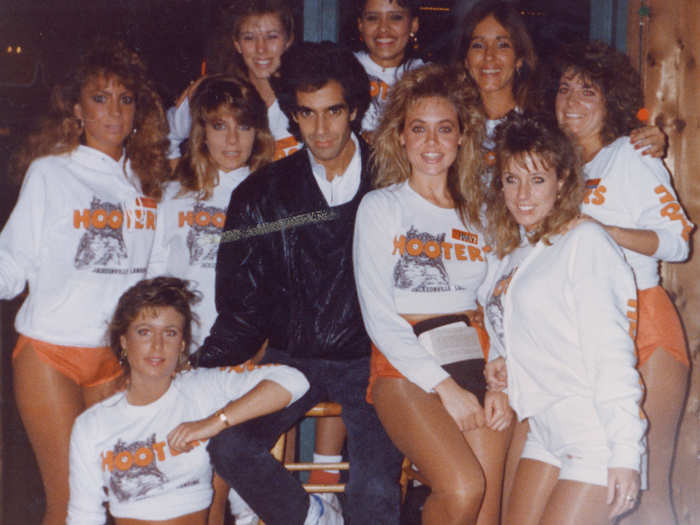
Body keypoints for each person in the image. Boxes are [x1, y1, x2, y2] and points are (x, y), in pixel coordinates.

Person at [191, 41, 404, 525]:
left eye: (333, 112)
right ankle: (313, 518)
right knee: (229, 446)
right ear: (292, 113)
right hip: (292, 358)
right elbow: (241, 305)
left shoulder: (393, 181)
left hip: (372, 360)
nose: (321, 129)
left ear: (354, 110)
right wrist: (201, 365)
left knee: (373, 489)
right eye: (307, 113)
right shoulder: (260, 194)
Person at [3, 40, 169, 525]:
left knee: (121, 497)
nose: (114, 110)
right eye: (100, 98)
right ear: (77, 108)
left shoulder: (149, 183)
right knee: (74, 497)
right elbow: (11, 264)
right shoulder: (50, 173)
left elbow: (156, 280)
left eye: (125, 98)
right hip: (51, 354)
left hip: (117, 361)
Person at [353, 64, 512, 525]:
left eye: (444, 130)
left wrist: (501, 373)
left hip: (475, 354)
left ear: (462, 137)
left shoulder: (480, 211)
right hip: (404, 364)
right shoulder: (382, 206)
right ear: (400, 136)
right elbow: (379, 315)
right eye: (418, 129)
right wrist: (445, 389)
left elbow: (495, 299)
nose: (431, 143)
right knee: (463, 488)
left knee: (484, 513)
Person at [553, 40, 693, 525]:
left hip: (645, 325)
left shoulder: (631, 155)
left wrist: (601, 232)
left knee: (645, 491)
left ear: (609, 101)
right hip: (584, 333)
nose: (570, 102)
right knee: (605, 488)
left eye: (586, 92)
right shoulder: (556, 170)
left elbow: (678, 241)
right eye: (565, 89)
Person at [481, 113, 646, 525]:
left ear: (563, 182)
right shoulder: (518, 252)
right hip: (543, 429)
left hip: (593, 434)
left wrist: (626, 452)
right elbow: (517, 332)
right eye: (511, 179)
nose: (523, 194)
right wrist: (502, 371)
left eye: (537, 180)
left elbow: (611, 353)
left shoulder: (585, 242)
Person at [67, 276, 309, 524]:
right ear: (124, 341)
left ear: (181, 345)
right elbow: (83, 517)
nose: (157, 345)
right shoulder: (92, 425)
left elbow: (293, 380)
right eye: (145, 332)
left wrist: (215, 421)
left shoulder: (201, 388)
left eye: (170, 333)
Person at [147, 74, 274, 524]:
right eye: (220, 126)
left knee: (217, 468)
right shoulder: (175, 195)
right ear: (202, 131)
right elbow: (154, 281)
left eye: (242, 126)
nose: (232, 139)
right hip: (179, 354)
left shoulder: (272, 195)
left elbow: (278, 288)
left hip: (239, 355)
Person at [455, 0, 665, 156]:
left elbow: (600, 152)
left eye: (502, 45)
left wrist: (649, 142)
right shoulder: (450, 123)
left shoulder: (548, 124)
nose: (489, 56)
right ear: (466, 59)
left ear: (519, 58)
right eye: (478, 45)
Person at [167, 0, 299, 163]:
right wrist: (176, 182)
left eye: (272, 37)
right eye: (249, 38)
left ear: (288, 40)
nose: (261, 48)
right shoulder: (216, 95)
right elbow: (164, 137)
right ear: (237, 44)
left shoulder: (304, 99)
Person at [354, 0, 424, 138]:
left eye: (395, 17)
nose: (383, 28)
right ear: (360, 24)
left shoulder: (428, 76)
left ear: (413, 25)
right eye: (373, 18)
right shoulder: (342, 66)